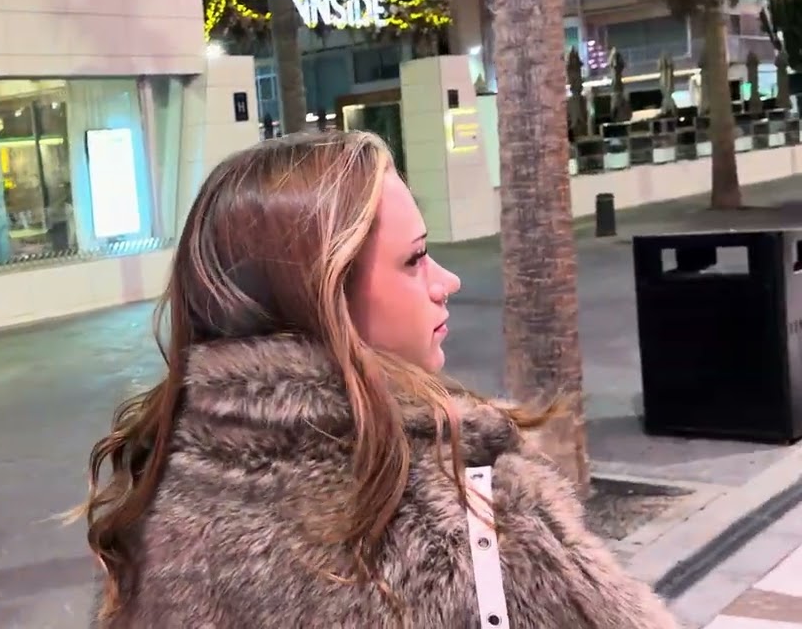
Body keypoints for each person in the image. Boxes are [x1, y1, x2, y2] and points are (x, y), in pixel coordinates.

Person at [76, 132, 676, 628]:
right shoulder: (472, 513)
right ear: (324, 297)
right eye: (414, 259)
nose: (447, 281)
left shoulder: (156, 503)